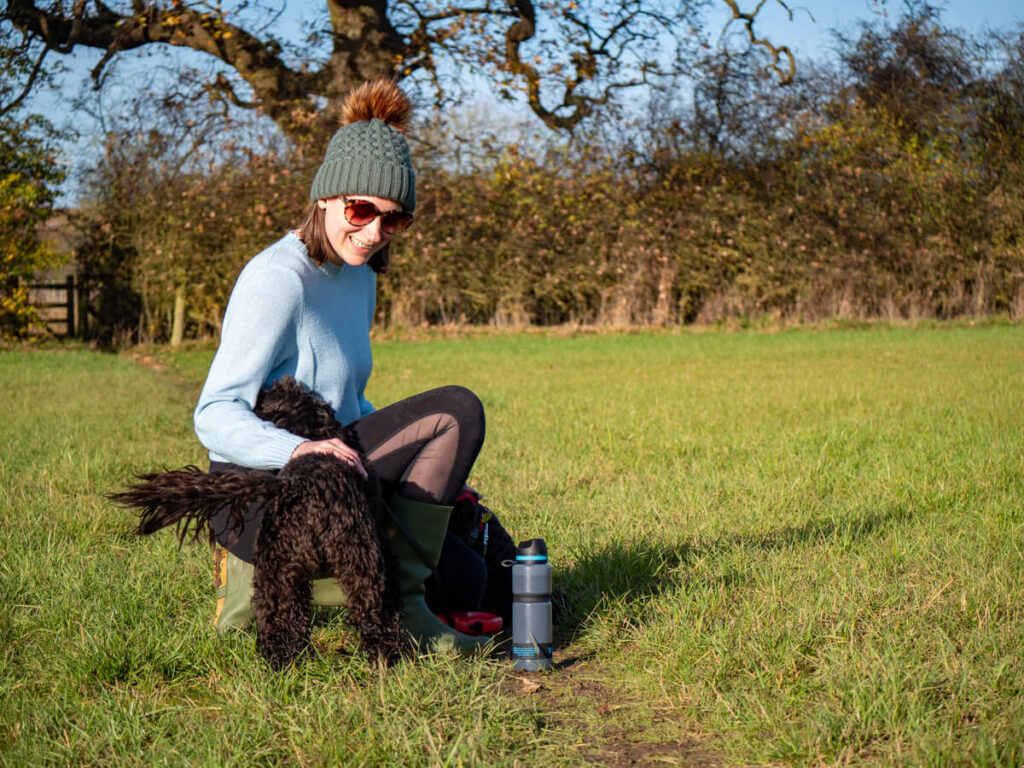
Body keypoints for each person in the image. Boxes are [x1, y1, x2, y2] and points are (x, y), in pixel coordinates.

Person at [193, 78, 497, 654]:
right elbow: (213, 414)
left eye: (394, 219)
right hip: (267, 494)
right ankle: (400, 614)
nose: (374, 232)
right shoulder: (278, 280)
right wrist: (297, 450)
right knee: (458, 410)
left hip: (333, 465)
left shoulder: (358, 276)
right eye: (361, 210)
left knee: (470, 577)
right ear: (327, 197)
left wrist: (429, 464)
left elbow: (352, 408)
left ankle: (409, 593)